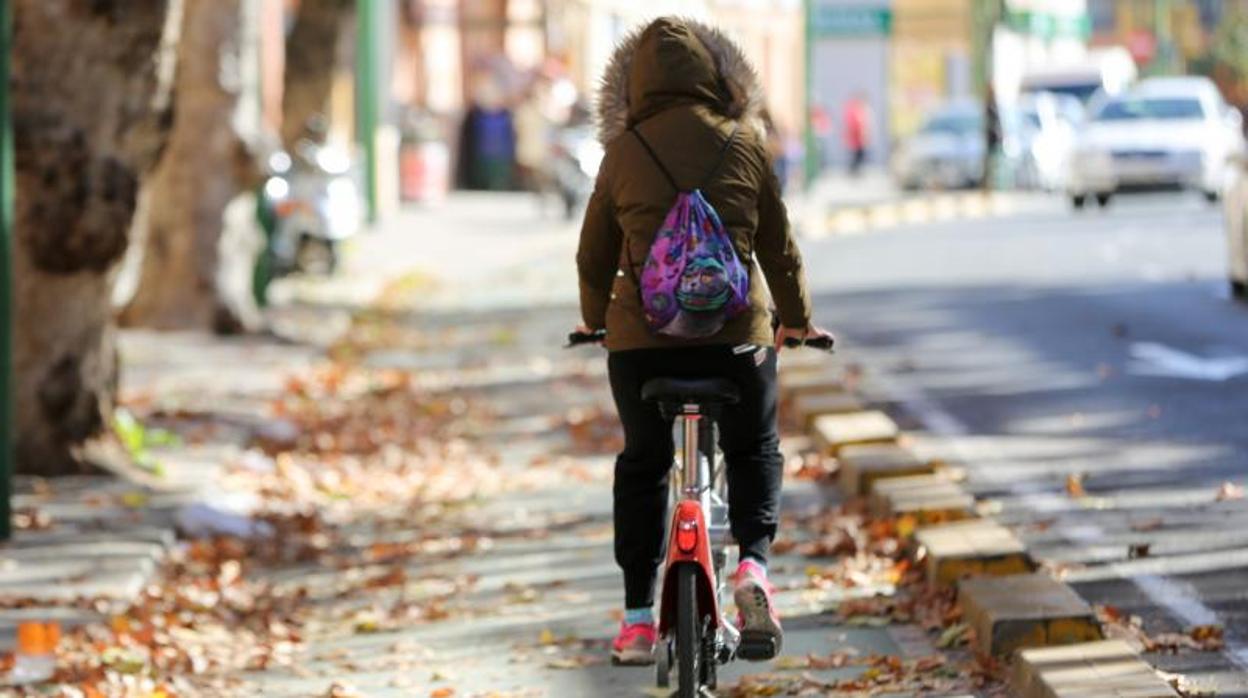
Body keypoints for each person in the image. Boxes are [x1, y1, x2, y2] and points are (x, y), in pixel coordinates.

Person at [574, 17, 832, 666]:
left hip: (641, 346)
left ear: (633, 88)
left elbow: (592, 256)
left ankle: (636, 619)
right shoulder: (746, 144)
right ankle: (752, 565)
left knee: (642, 463)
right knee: (755, 448)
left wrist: (595, 321)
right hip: (737, 344)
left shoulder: (622, 153)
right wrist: (796, 319)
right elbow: (779, 248)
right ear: (721, 79)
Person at [843, 91, 871, 177]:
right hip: (856, 138)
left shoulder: (860, 110)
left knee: (859, 155)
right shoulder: (853, 110)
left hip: (858, 138)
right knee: (857, 155)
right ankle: (853, 171)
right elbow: (854, 125)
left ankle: (855, 171)